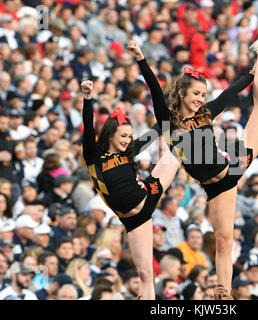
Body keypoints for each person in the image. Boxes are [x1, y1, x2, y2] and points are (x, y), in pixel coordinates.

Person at [127, 23, 258, 299]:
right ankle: (223, 291)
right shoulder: (167, 122)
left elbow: (229, 94)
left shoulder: (205, 113)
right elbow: (153, 90)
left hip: (232, 167)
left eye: (202, 95)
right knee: (222, 240)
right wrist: (141, 59)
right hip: (216, 186)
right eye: (196, 94)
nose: (200, 99)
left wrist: (250, 77)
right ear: (182, 93)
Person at [81, 79, 179, 300]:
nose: (127, 141)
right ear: (110, 135)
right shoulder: (94, 156)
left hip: (146, 197)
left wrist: (168, 117)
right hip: (133, 220)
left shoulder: (129, 151)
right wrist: (88, 99)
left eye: (129, 136)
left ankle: (192, 132)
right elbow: (88, 127)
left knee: (173, 157)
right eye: (123, 136)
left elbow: (156, 130)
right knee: (145, 273)